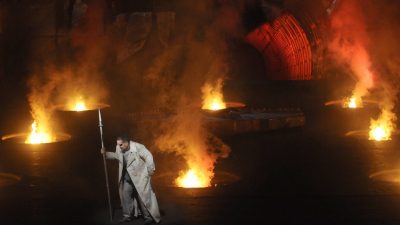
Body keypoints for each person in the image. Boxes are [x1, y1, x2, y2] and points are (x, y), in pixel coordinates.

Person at [101, 134, 161, 224]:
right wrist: (106, 154)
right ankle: (127, 216)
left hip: (140, 177)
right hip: (127, 178)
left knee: (142, 197)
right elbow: (116, 156)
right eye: (117, 144)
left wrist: (150, 168)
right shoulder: (119, 148)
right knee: (126, 196)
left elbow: (148, 156)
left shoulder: (138, 147)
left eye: (120, 144)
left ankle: (148, 217)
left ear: (126, 143)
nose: (118, 146)